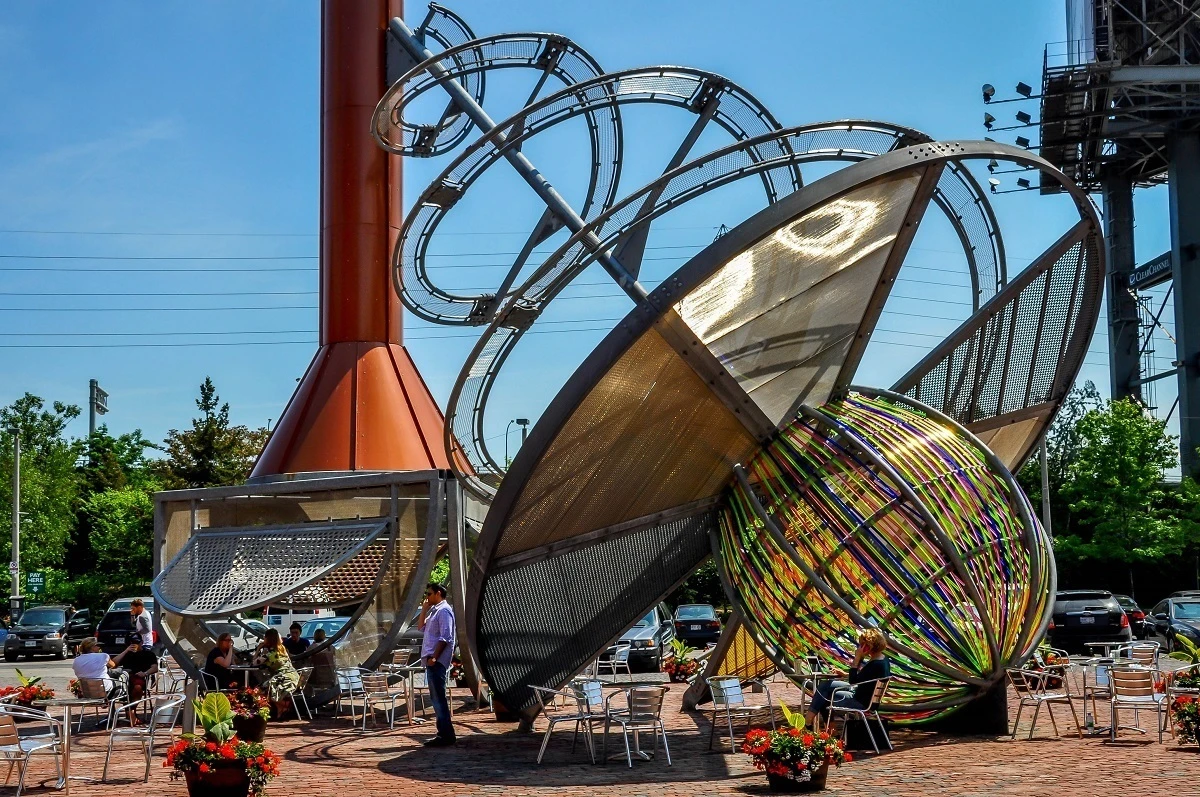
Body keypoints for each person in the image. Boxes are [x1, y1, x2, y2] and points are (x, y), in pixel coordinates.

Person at [804, 628, 891, 728]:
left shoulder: (875, 664)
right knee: (826, 686)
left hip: (860, 702)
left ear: (869, 646)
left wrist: (857, 658)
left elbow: (853, 681)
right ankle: (821, 726)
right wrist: (845, 674)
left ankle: (811, 722)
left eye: (862, 645)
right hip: (866, 697)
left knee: (824, 696)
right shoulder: (883, 660)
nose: (860, 647)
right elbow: (865, 677)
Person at [417, 582, 456, 746]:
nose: (427, 596)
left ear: (438, 593)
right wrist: (425, 609)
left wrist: (434, 658)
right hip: (431, 661)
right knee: (436, 698)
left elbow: (445, 637)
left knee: (439, 699)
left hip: (437, 662)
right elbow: (421, 628)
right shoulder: (435, 610)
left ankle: (445, 735)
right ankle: (445, 733)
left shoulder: (444, 611)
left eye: (429, 593)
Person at [253, 628, 300, 718]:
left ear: (267, 639)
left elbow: (254, 663)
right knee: (267, 687)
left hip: (284, 680)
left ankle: (284, 704)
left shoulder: (269, 655)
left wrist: (258, 648)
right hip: (294, 677)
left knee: (259, 690)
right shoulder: (283, 649)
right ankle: (280, 708)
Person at [306, 628, 337, 693]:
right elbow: (335, 660)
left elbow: (306, 660)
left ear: (314, 636)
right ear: (324, 636)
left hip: (316, 677)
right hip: (330, 676)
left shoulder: (312, 648)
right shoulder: (330, 648)